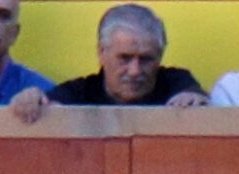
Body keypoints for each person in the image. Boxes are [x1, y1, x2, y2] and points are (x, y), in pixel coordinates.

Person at [12, 3, 205, 118]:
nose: (135, 70)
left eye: (146, 59)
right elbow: (46, 106)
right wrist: (32, 101)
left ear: (160, 56)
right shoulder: (77, 93)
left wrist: (197, 103)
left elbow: (199, 103)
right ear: (101, 53)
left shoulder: (178, 83)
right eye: (125, 58)